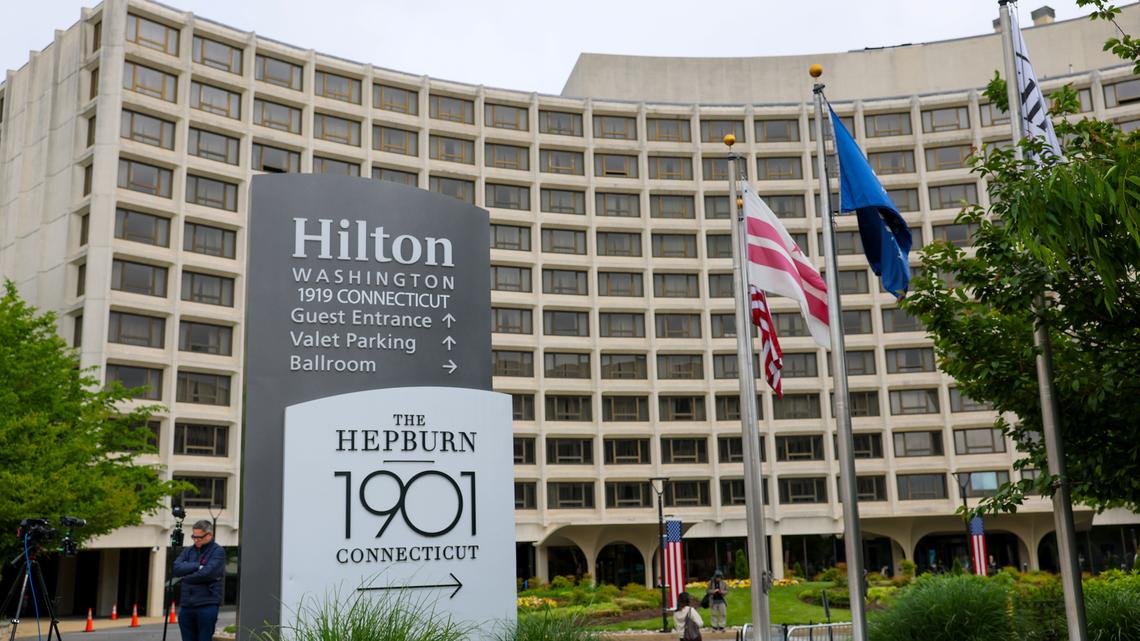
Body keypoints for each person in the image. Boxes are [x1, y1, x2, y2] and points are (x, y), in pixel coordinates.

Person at [173, 520, 226, 641]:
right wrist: (198, 566)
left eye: (199, 537)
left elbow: (207, 573)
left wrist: (185, 577)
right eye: (193, 536)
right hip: (186, 606)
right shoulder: (188, 551)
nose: (195, 540)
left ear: (209, 535)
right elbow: (176, 568)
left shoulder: (218, 551)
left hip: (207, 604)